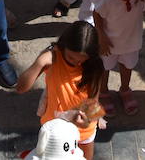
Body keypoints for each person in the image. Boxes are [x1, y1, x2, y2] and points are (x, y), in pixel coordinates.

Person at [16, 22, 105, 159]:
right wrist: (39, 62)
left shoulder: (95, 66)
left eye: (82, 60)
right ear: (63, 46)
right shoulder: (52, 58)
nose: (76, 63)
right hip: (54, 130)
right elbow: (21, 88)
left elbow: (94, 98)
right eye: (71, 58)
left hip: (83, 130)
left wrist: (88, 119)